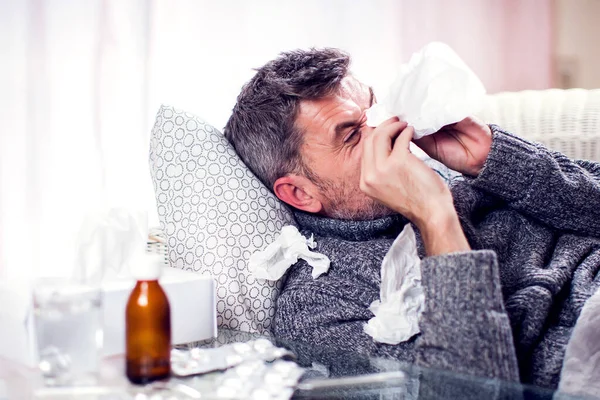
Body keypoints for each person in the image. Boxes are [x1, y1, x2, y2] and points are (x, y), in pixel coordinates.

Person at [223, 48, 600, 389]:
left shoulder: (474, 171)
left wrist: (496, 159)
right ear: (301, 193)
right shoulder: (321, 304)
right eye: (353, 134)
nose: (393, 132)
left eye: (375, 110)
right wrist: (435, 218)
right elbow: (469, 391)